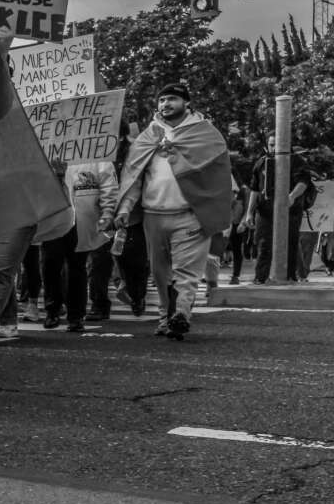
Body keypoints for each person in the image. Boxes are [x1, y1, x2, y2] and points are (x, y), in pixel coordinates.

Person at [113, 83, 232, 339]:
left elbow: (219, 175)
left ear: (186, 103)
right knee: (160, 273)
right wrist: (124, 209)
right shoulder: (148, 137)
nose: (165, 104)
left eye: (172, 100)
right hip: (153, 216)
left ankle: (181, 315)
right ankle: (165, 316)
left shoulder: (205, 133)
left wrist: (177, 153)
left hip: (191, 215)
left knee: (186, 272)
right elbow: (134, 177)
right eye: (162, 100)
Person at [42, 158, 117, 332]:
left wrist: (107, 212)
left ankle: (76, 316)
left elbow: (108, 187)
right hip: (54, 218)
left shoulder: (97, 156)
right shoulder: (50, 152)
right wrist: (58, 176)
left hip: (83, 220)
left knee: (77, 267)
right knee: (50, 264)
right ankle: (52, 310)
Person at [242, 134, 312, 284]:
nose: (274, 148)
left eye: (277, 144)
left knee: (290, 243)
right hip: (265, 211)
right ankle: (260, 278)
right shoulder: (261, 162)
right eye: (271, 144)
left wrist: (292, 196)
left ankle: (290, 277)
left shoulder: (296, 161)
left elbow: (304, 181)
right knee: (263, 244)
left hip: (290, 211)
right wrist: (249, 213)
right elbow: (255, 189)